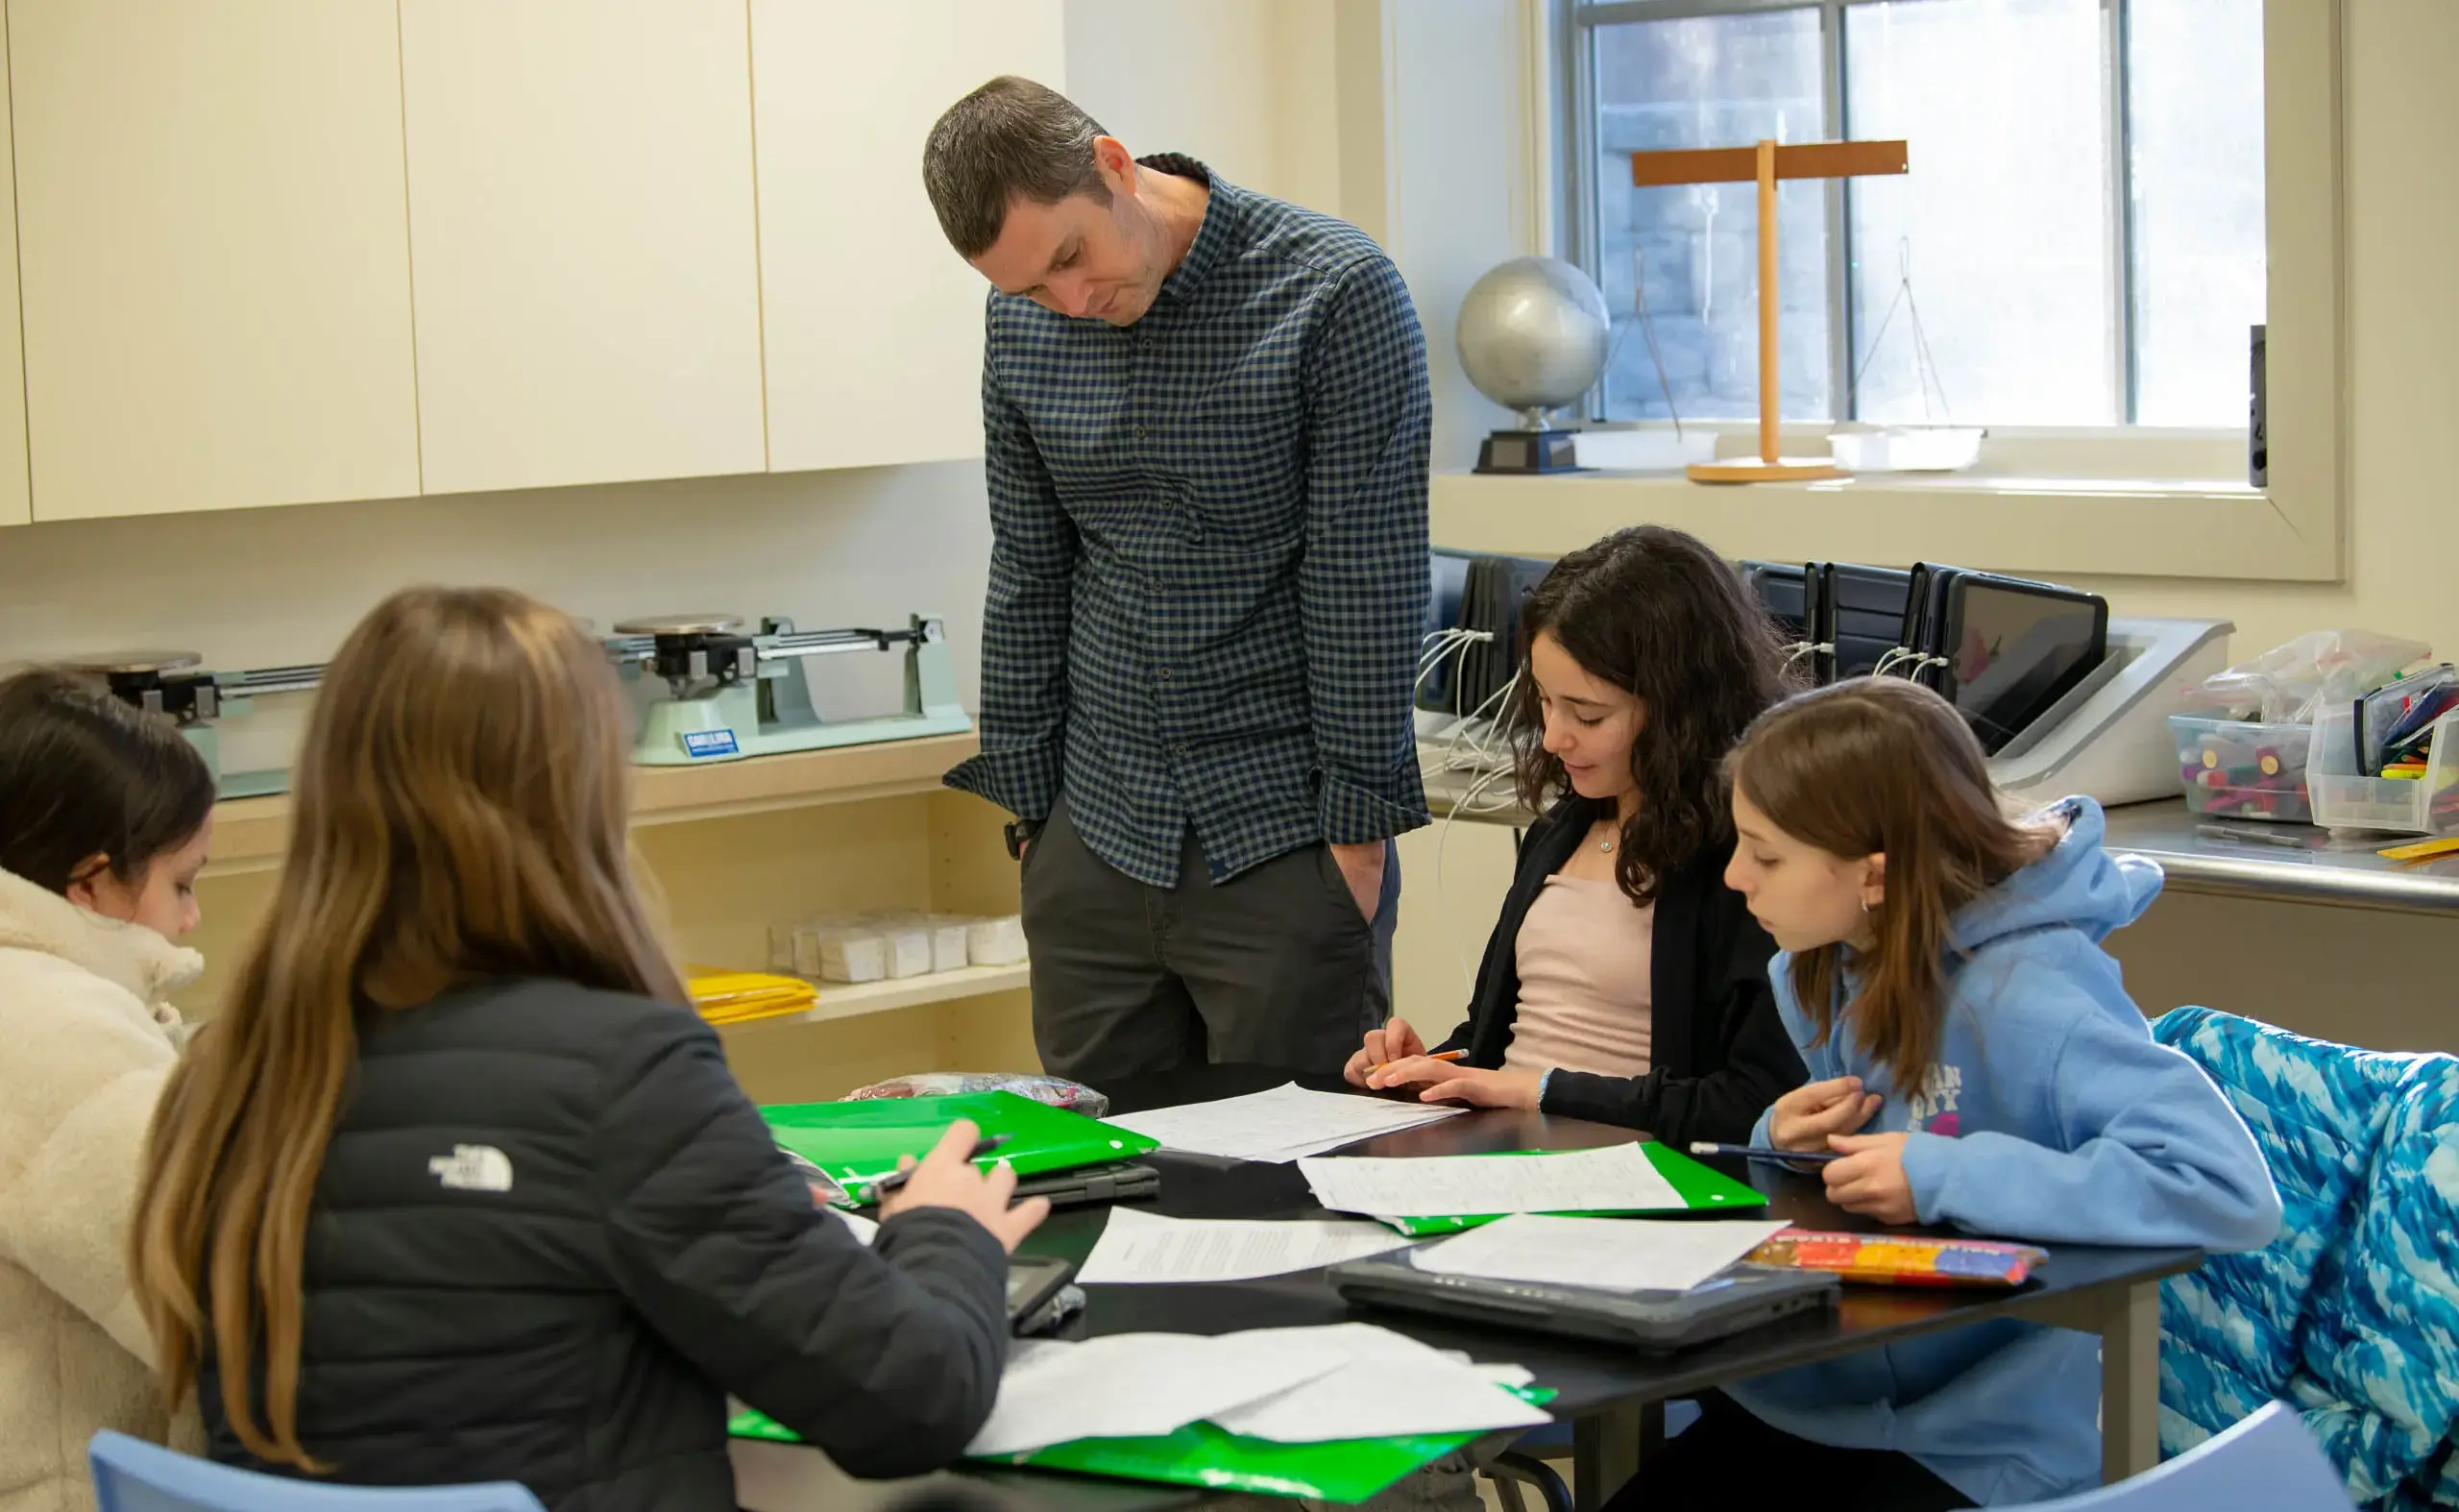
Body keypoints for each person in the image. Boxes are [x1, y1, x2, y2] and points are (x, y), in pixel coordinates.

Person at [128, 588, 1045, 1512]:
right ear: (581, 791)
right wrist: (943, 1231)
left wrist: (730, 1210)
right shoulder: (622, 1072)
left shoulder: (225, 1071)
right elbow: (914, 1399)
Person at [1607, 677, 2282, 1511]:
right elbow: (1874, 1177)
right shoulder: (1822, 965)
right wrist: (1782, 1141)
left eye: (1767, 854)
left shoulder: (2035, 997)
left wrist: (1946, 1174)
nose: (1737, 876)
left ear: (1877, 876)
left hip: (1979, 1442)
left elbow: (2229, 1191)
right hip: (1816, 1400)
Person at [922, 76, 1431, 1083]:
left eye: (1072, 257)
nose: (1070, 304)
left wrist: (1357, 840)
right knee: (1101, 1182)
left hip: (1285, 832)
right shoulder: (1021, 324)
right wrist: (1031, 813)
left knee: (1299, 1187)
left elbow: (1364, 580)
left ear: (1116, 165)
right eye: (1030, 288)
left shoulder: (1333, 291)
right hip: (1094, 829)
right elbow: (1028, 565)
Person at [1350, 526, 1806, 1146]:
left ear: (1679, 708)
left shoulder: (1749, 862)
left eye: (1588, 715)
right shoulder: (1563, 829)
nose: (1555, 737)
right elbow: (1509, 1048)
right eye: (1544, 702)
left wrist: (1539, 1090)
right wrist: (1433, 1069)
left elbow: (1755, 1103)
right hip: (1509, 1152)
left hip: (1633, 1174)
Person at [0, 667, 215, 1512]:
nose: (190, 920)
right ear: (91, 882)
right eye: (182, 884)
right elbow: (205, 1292)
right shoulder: (51, 1029)